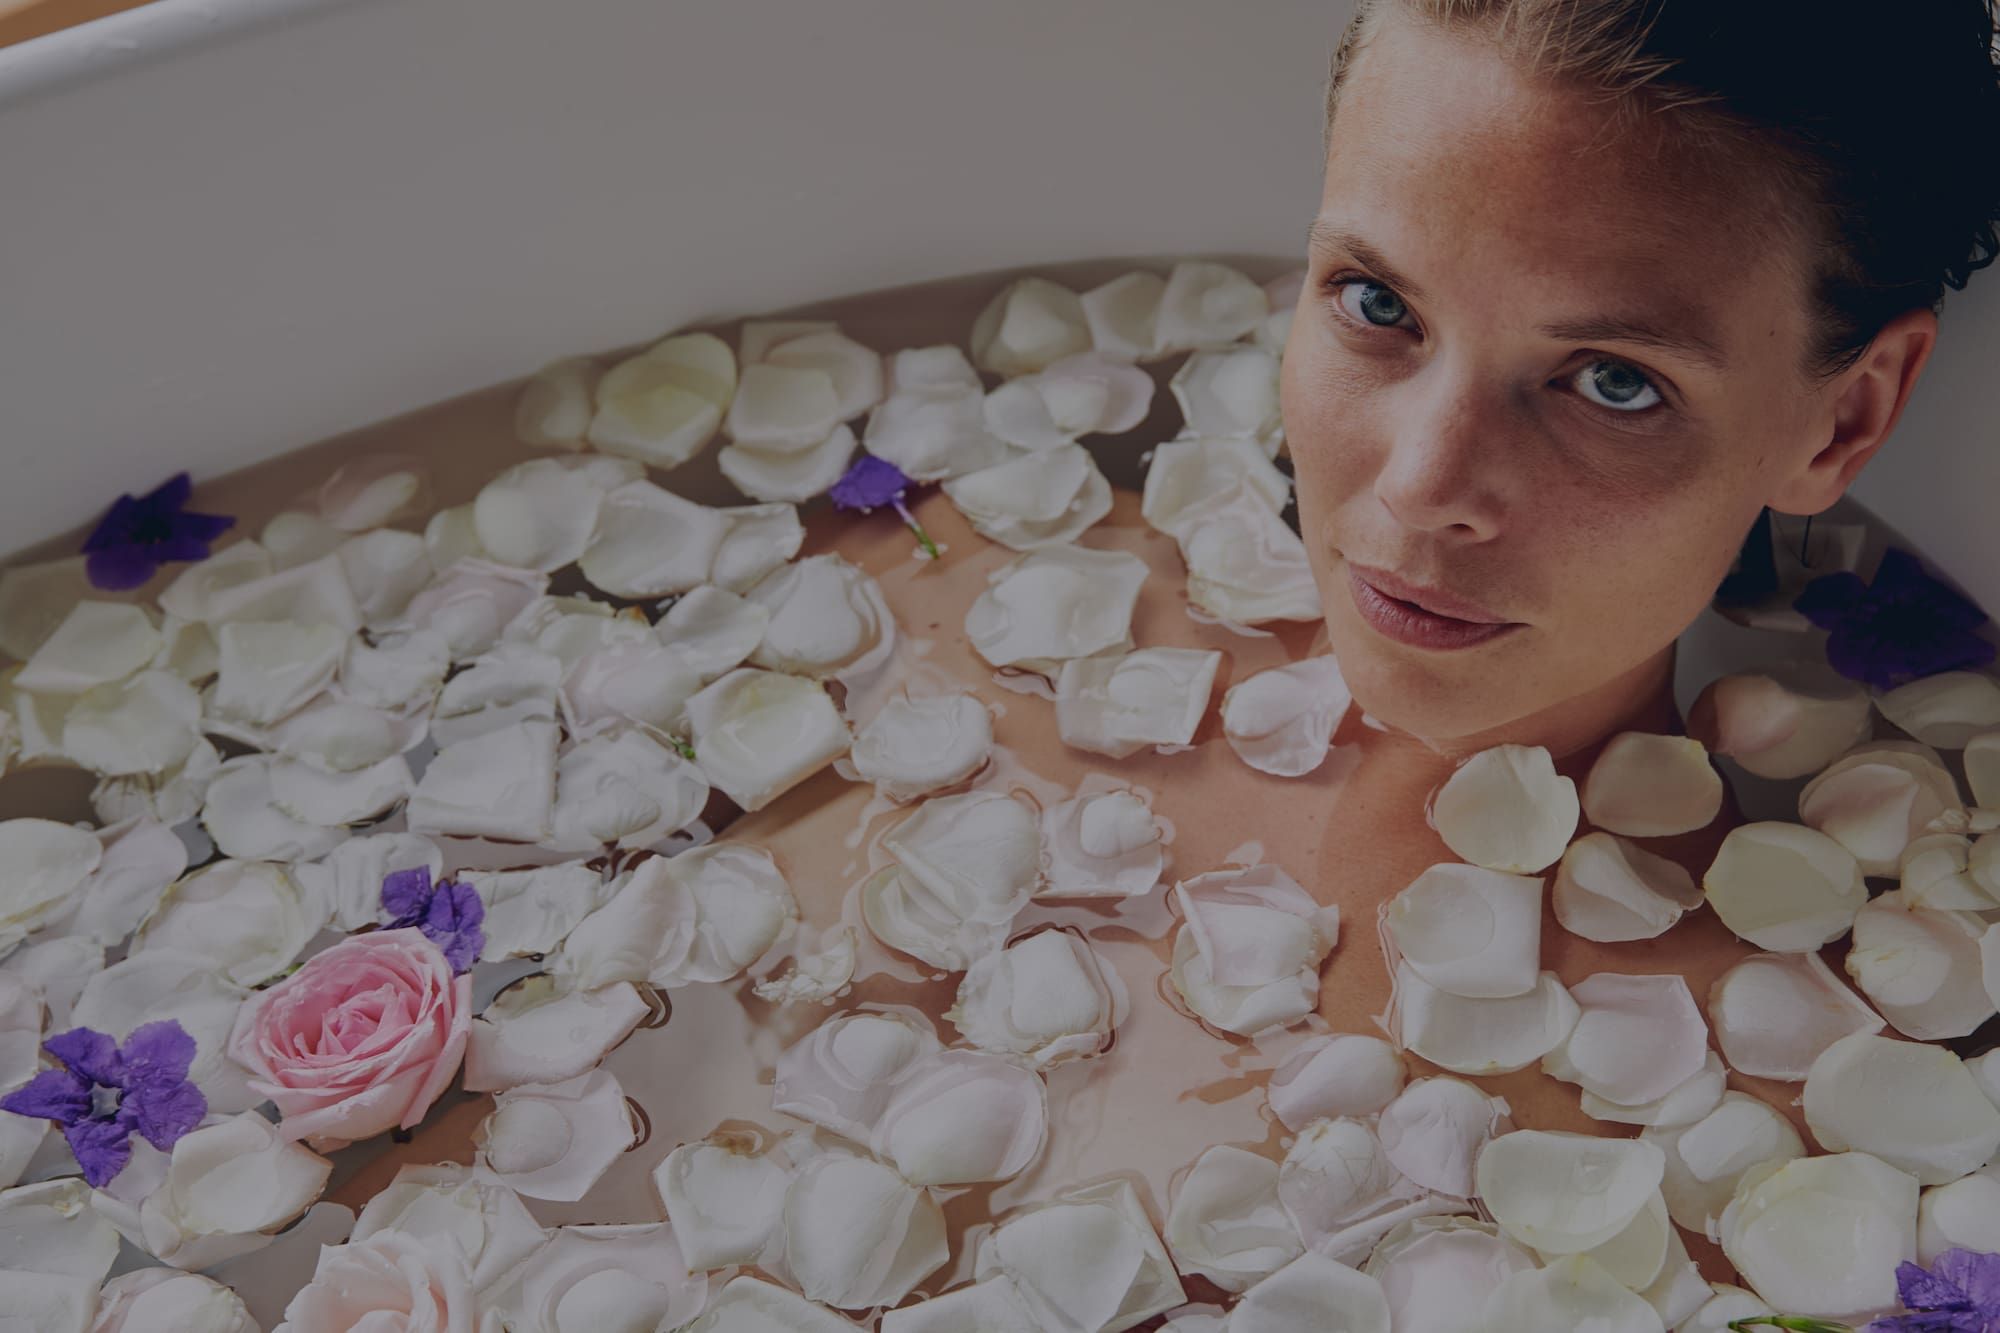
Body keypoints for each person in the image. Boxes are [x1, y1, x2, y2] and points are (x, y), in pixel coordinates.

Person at [337, 0, 2000, 1302]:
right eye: (1377, 304)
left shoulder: (1746, 1138)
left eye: (1611, 380)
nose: (1418, 496)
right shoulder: (912, 621)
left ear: (1845, 416)